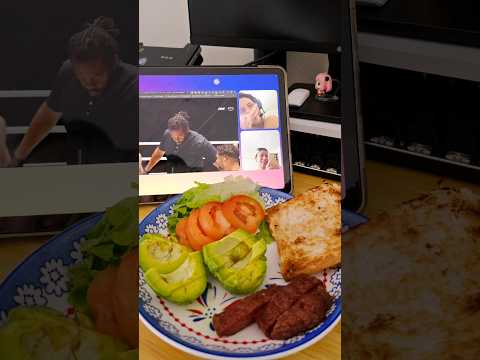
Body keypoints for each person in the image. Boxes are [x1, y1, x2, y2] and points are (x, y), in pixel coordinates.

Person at [9, 17, 137, 166]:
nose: (89, 83)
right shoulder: (67, 72)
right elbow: (47, 116)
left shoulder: (135, 84)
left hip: (122, 169)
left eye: (97, 75)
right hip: (79, 168)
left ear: (113, 64)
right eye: (81, 76)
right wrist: (19, 157)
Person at [144, 111, 217, 173]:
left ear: (187, 132)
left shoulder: (199, 141)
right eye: (173, 137)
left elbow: (218, 160)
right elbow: (159, 153)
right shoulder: (167, 134)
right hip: (172, 177)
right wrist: (147, 169)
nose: (177, 139)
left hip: (192, 179)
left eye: (180, 137)